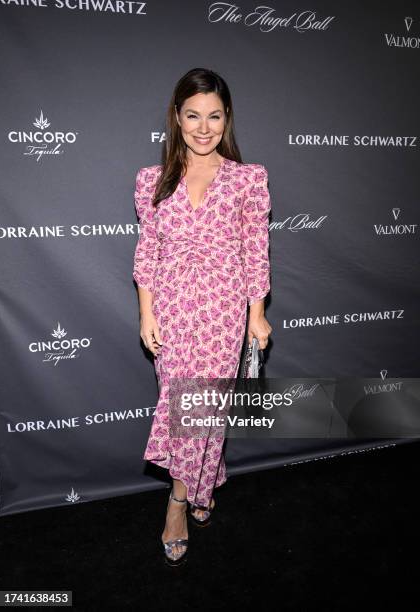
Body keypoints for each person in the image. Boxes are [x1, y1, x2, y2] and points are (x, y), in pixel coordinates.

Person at [132, 67, 272, 565]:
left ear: (227, 118)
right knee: (179, 401)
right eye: (193, 115)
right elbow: (147, 253)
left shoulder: (247, 179)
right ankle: (196, 487)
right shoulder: (152, 180)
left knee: (202, 407)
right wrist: (146, 313)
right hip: (170, 307)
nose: (204, 127)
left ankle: (178, 499)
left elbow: (256, 250)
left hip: (222, 308)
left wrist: (257, 314)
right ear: (177, 117)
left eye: (214, 116)